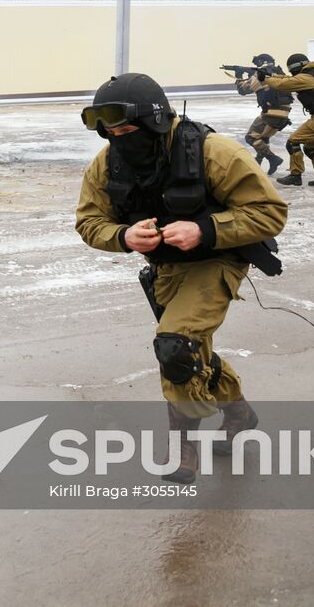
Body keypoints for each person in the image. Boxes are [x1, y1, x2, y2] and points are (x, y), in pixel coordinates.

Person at [74, 73, 287, 483]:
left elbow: (269, 212)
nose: (117, 138)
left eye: (126, 129)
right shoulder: (108, 160)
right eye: (109, 131)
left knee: (175, 345)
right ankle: (239, 413)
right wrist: (123, 236)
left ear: (154, 121)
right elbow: (89, 221)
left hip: (216, 260)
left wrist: (204, 229)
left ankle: (183, 451)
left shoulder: (213, 152)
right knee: (193, 350)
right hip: (167, 269)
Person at [258, 53, 314, 187]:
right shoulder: (313, 74)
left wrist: (265, 79)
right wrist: (270, 75)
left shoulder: (307, 78)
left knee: (293, 142)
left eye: (292, 70)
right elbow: (288, 78)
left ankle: (295, 176)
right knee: (310, 147)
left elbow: (283, 84)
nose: (292, 73)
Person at [233, 53, 293, 175]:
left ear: (261, 62)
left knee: (250, 137)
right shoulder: (281, 73)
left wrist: (239, 75)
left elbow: (243, 90)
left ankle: (273, 159)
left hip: (271, 113)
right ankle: (258, 162)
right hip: (284, 113)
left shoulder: (260, 75)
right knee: (262, 138)